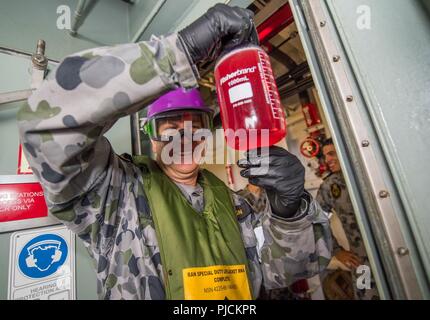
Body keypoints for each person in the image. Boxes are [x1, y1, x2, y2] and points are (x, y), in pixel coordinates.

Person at [17, 3, 331, 300]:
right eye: (170, 128)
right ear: (151, 136)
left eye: (195, 125)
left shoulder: (235, 204)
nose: (184, 137)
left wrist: (290, 215)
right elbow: (44, 124)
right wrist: (175, 55)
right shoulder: (114, 197)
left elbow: (286, 271)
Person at [316, 139, 379, 300]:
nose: (328, 159)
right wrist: (336, 251)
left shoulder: (372, 173)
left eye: (331, 153)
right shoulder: (330, 186)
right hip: (362, 261)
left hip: (392, 250)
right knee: (367, 295)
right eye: (326, 156)